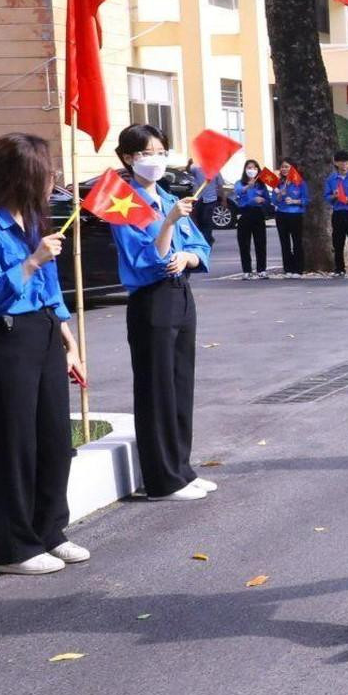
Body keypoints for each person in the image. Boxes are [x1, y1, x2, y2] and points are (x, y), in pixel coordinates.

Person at [0, 133, 89, 574]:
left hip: (45, 334)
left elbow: (51, 293)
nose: (51, 179)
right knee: (12, 443)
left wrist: (69, 342)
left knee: (54, 438)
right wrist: (31, 261)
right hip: (7, 339)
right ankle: (13, 548)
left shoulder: (33, 225)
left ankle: (50, 530)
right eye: (45, 171)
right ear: (22, 176)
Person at [110, 123, 215, 501]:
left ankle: (182, 469)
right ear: (126, 158)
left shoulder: (170, 197)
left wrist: (189, 256)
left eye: (159, 151)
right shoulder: (123, 204)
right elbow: (146, 259)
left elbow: (201, 247)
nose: (153, 160)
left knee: (180, 383)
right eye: (143, 153)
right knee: (157, 389)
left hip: (180, 294)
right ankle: (162, 479)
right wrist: (168, 225)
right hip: (151, 299)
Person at [231, 159, 272, 279]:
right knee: (244, 244)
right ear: (245, 170)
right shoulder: (240, 183)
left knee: (260, 243)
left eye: (254, 168)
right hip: (245, 214)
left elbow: (267, 200)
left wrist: (263, 200)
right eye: (249, 168)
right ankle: (247, 270)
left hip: (258, 214)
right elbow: (238, 193)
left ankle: (261, 270)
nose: (252, 170)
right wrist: (248, 187)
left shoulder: (261, 184)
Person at [273, 160, 306, 275]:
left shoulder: (300, 182)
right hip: (281, 215)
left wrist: (294, 201)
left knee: (297, 242)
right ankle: (288, 268)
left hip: (296, 215)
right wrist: (279, 195)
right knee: (284, 243)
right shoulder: (278, 183)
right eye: (282, 167)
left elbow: (306, 200)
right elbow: (274, 201)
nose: (284, 169)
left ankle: (298, 268)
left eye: (287, 167)